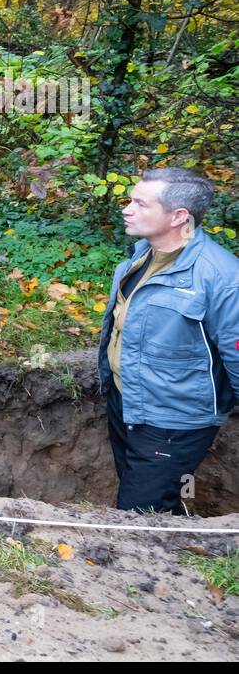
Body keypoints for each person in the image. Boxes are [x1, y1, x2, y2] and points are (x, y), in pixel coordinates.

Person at [98, 167, 239, 513]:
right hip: (127, 402)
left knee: (138, 513)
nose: (126, 208)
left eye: (140, 204)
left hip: (173, 421)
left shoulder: (221, 277)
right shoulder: (141, 256)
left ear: (178, 216)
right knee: (149, 499)